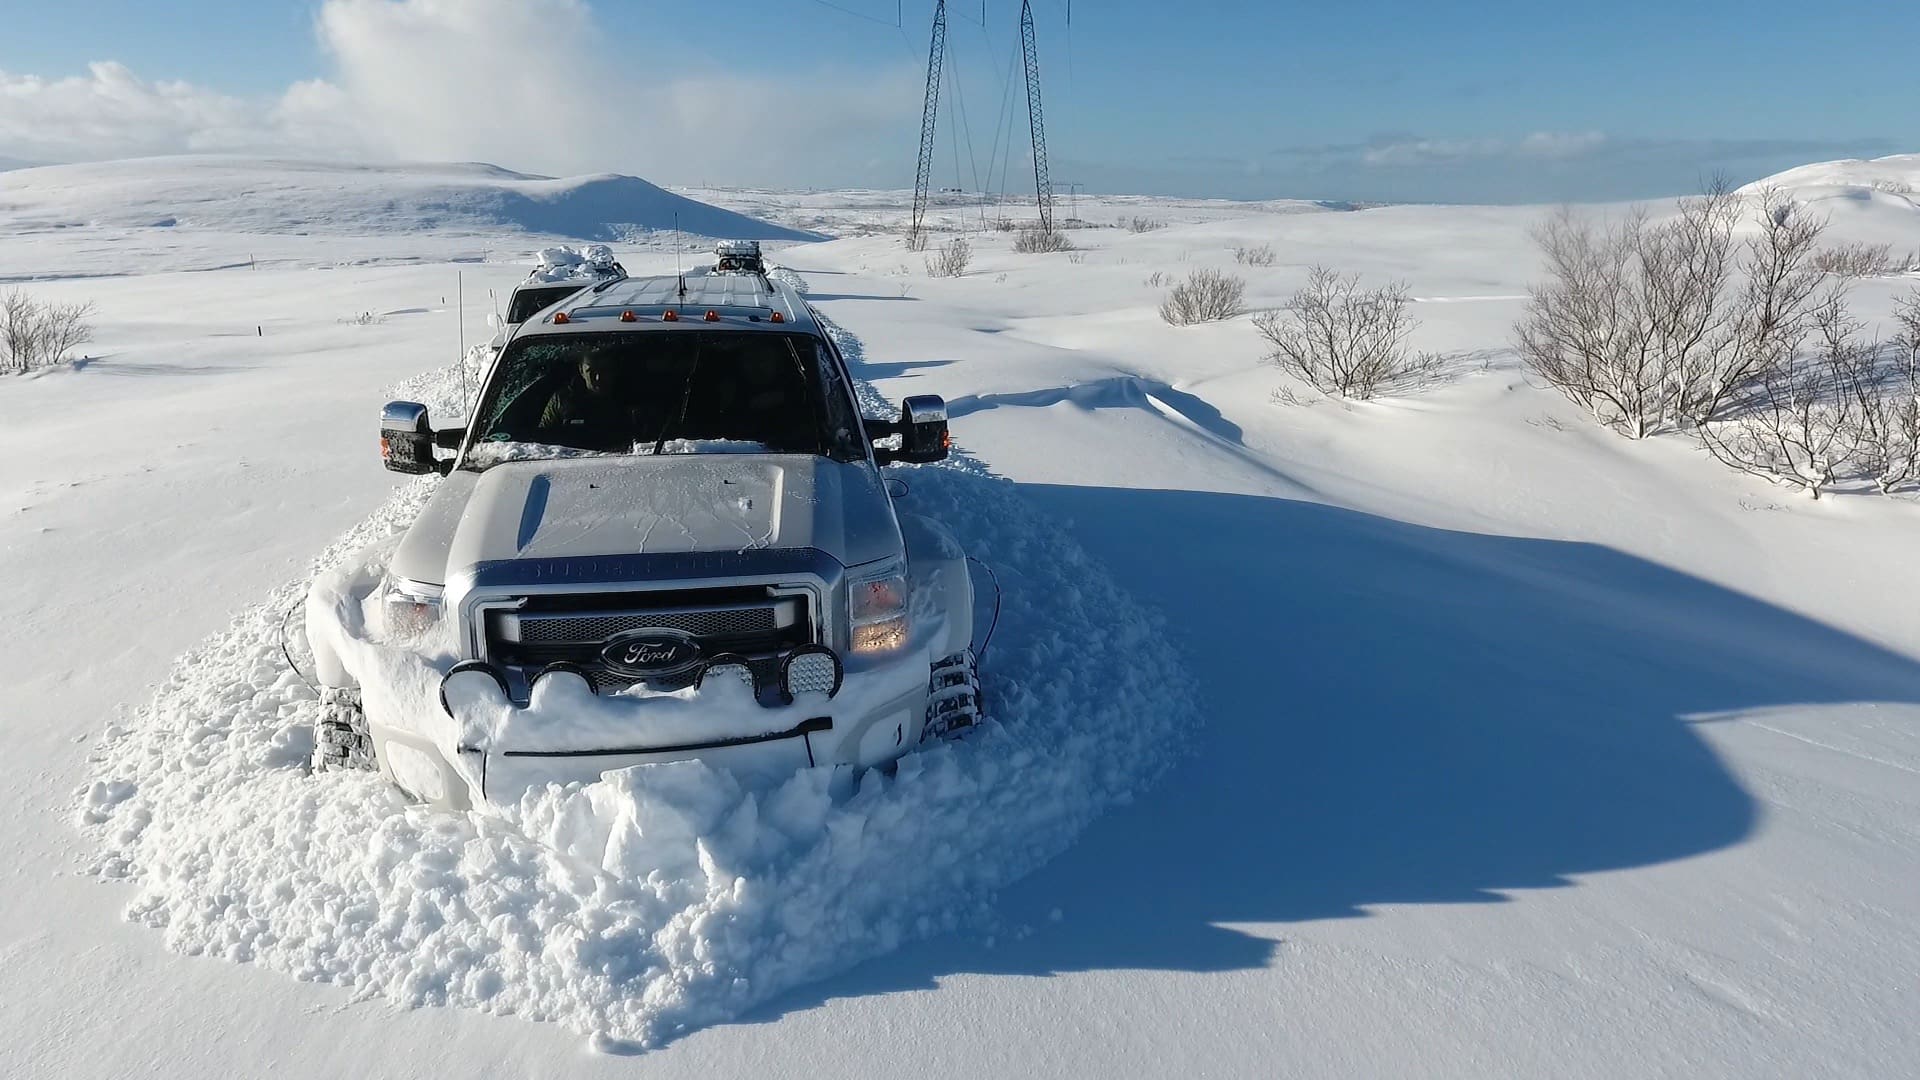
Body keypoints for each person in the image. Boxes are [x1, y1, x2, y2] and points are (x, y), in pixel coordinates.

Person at [539, 346, 649, 449]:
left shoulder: (633, 399)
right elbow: (542, 443)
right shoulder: (562, 400)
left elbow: (649, 443)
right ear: (581, 371)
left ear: (614, 370)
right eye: (591, 371)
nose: (598, 377)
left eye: (604, 370)